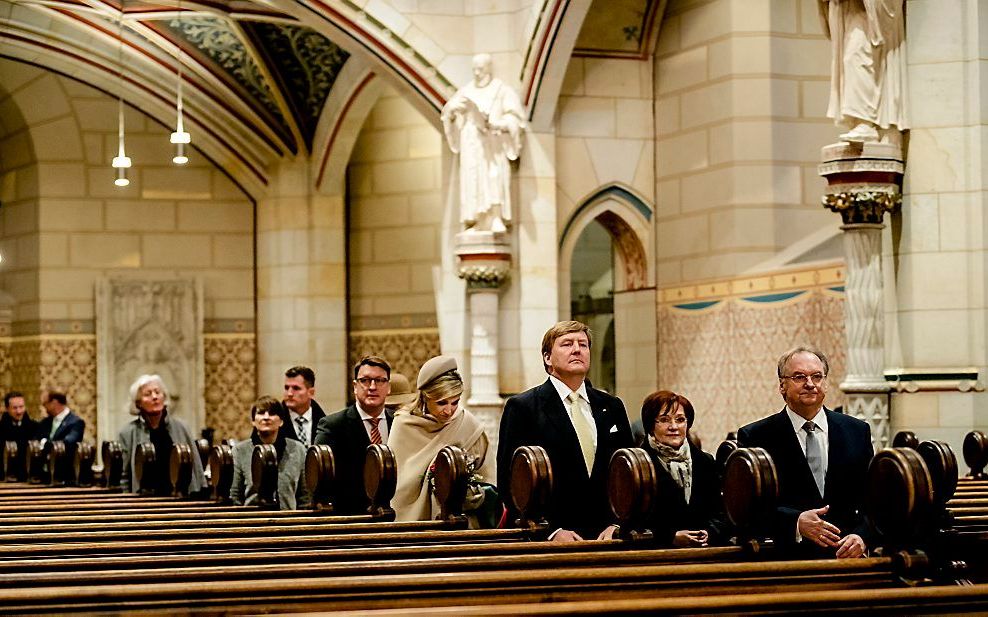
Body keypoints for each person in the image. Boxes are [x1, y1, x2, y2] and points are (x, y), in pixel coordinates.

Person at [497, 320, 634, 541]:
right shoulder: (524, 407)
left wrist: (618, 524)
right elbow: (509, 483)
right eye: (567, 344)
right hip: (550, 539)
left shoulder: (612, 406)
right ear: (547, 357)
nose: (577, 349)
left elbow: (628, 474)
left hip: (607, 537)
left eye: (583, 344)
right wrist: (551, 532)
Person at [737, 346, 873, 558]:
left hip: (847, 558)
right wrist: (796, 522)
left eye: (817, 376)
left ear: (825, 382)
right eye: (799, 377)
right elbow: (747, 508)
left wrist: (863, 536)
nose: (810, 384)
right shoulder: (755, 436)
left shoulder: (856, 431)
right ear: (782, 385)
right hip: (789, 561)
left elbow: (872, 498)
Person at [389, 356, 496, 525]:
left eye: (455, 402)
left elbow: (489, 481)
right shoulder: (403, 424)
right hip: (412, 526)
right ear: (425, 397)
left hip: (463, 524)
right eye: (441, 403)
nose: (449, 411)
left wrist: (468, 491)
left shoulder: (468, 424)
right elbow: (397, 486)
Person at [441, 53, 526, 233]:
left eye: (480, 69)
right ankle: (477, 221)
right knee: (473, 180)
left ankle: (495, 217)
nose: (477, 73)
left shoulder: (501, 90)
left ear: (488, 69)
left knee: (493, 176)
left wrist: (497, 124)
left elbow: (515, 120)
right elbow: (449, 113)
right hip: (471, 145)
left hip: (493, 144)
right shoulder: (465, 92)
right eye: (474, 69)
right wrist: (451, 113)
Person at [640, 391, 728, 548]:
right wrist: (669, 537)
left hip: (705, 554)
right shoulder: (637, 464)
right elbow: (631, 523)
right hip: (656, 557)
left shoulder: (705, 461)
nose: (673, 427)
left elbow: (721, 513)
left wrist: (710, 533)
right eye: (664, 420)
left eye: (680, 420)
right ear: (651, 425)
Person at [314, 356, 395, 514]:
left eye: (380, 380)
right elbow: (320, 480)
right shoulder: (333, 426)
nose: (372, 387)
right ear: (355, 386)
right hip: (351, 519)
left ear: (389, 387)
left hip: (396, 517)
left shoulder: (399, 422)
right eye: (365, 380)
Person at [819, 0, 908, 143]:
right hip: (848, 11)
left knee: (856, 57)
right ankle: (859, 121)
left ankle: (865, 122)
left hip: (868, 13)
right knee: (850, 60)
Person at [118, 374, 205, 495]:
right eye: (147, 394)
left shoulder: (182, 427)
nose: (154, 397)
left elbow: (197, 467)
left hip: (180, 498)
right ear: (138, 403)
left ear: (164, 397)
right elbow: (124, 475)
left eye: (157, 392)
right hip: (144, 502)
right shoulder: (127, 432)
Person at [231, 396, 309, 509]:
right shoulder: (240, 451)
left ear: (281, 421)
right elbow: (235, 495)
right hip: (252, 521)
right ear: (253, 421)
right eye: (261, 413)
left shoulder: (297, 449)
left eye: (272, 413)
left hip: (288, 521)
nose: (266, 417)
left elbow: (305, 495)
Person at [281, 366, 325, 445]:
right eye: (286, 388)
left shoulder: (324, 423)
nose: (289, 393)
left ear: (311, 392)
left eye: (296, 388)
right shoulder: (274, 421)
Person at [0, 391, 38, 480]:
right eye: (14, 408)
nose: (19, 411)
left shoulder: (34, 427)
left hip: (29, 477)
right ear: (7, 409)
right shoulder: (1, 429)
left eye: (21, 407)